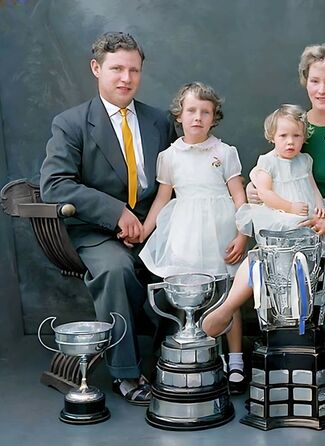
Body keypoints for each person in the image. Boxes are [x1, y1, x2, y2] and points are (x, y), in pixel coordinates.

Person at [204, 44, 325, 384]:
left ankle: (300, 361)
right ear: (305, 82)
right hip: (289, 221)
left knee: (281, 261)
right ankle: (244, 323)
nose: (322, 89)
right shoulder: (294, 126)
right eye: (315, 81)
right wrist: (256, 191)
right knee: (267, 255)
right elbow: (269, 173)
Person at [40, 32, 176, 405]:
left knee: (187, 262)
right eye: (116, 69)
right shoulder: (71, 123)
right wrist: (116, 213)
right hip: (96, 231)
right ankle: (127, 373)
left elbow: (173, 180)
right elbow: (54, 185)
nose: (126, 78)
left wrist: (150, 224)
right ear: (97, 68)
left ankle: (172, 359)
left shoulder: (159, 121)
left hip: (153, 225)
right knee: (117, 270)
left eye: (134, 70)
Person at [138, 82, 248, 393]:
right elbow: (162, 198)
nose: (197, 117)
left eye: (205, 112)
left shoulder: (224, 152)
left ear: (214, 117)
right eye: (191, 111)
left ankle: (236, 360)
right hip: (185, 230)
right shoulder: (170, 156)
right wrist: (145, 231)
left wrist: (242, 234)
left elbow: (239, 195)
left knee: (228, 295)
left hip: (220, 230)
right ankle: (197, 354)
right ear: (180, 115)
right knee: (190, 298)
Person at [236, 103, 325, 268]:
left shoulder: (304, 160)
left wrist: (320, 205)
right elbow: (265, 194)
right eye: (283, 136)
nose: (290, 142)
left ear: (303, 137)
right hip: (283, 213)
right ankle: (297, 274)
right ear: (272, 137)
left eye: (296, 136)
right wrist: (290, 207)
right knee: (292, 243)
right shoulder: (268, 161)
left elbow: (312, 187)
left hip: (307, 210)